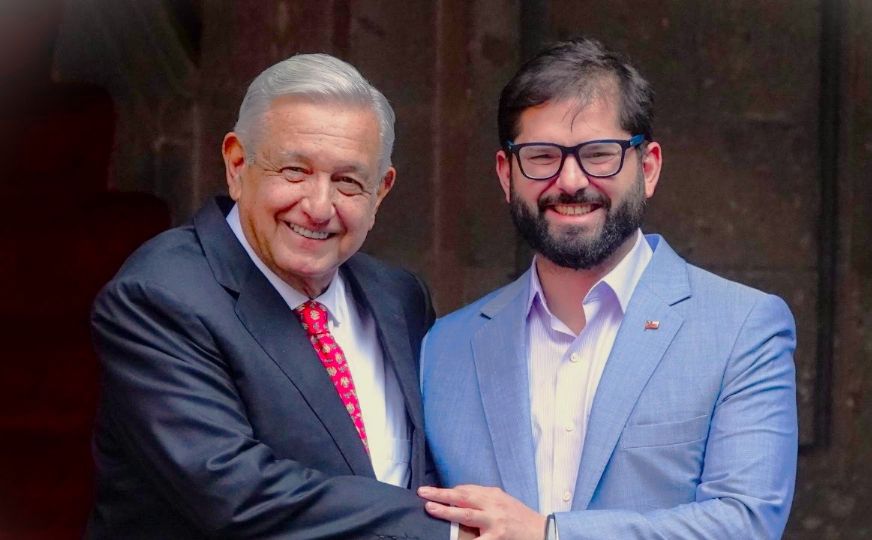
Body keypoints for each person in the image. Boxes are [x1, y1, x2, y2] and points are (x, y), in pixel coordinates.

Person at [418, 38, 798, 539]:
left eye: (600, 154)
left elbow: (746, 522)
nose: (571, 180)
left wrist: (549, 536)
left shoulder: (742, 328)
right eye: (541, 156)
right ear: (506, 175)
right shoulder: (444, 346)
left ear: (648, 168)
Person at [87, 53, 453, 538]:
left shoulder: (399, 297)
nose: (319, 207)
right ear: (237, 165)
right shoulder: (159, 297)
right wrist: (447, 532)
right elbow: (236, 495)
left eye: (347, 181)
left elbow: (423, 466)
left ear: (380, 192)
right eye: (295, 171)